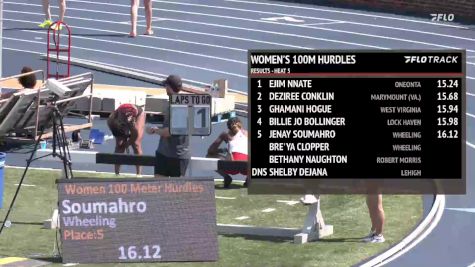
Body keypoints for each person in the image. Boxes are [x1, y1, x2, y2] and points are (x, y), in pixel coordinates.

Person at [146, 75, 190, 177]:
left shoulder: (180, 107)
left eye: (166, 86)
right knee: (161, 188)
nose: (165, 88)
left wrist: (154, 130)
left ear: (169, 87)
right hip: (166, 153)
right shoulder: (175, 103)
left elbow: (169, 132)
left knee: (175, 190)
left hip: (176, 156)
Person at [207, 117, 248, 188]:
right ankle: (249, 179)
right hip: (246, 168)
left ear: (228, 127)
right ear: (240, 124)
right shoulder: (247, 133)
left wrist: (223, 150)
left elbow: (210, 151)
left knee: (208, 157)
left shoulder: (225, 134)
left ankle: (226, 177)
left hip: (231, 167)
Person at [107, 103, 145, 176]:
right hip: (120, 115)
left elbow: (135, 135)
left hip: (138, 114)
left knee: (136, 144)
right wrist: (121, 135)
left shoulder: (131, 121)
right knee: (119, 145)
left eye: (124, 124)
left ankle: (139, 174)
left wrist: (128, 144)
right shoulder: (112, 119)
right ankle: (116, 173)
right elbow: (112, 127)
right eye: (122, 124)